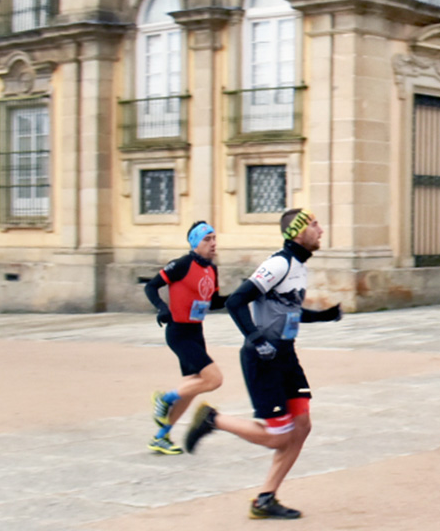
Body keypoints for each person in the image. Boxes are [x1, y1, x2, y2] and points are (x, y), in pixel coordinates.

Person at [184, 208, 341, 521]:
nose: (321, 230)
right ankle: (213, 419)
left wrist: (323, 316)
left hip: (286, 355)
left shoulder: (298, 265)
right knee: (279, 437)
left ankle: (265, 499)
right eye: (314, 225)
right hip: (263, 358)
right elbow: (235, 301)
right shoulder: (279, 264)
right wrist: (256, 339)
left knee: (302, 426)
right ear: (298, 232)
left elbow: (288, 309)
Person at [143, 221, 226, 455]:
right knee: (214, 379)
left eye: (214, 238)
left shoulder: (212, 269)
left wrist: (244, 295)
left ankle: (161, 437)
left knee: (191, 388)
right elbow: (151, 286)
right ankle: (164, 399)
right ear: (195, 243)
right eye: (207, 239)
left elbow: (215, 302)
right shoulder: (182, 264)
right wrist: (162, 308)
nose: (213, 243)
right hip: (179, 333)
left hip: (196, 332)